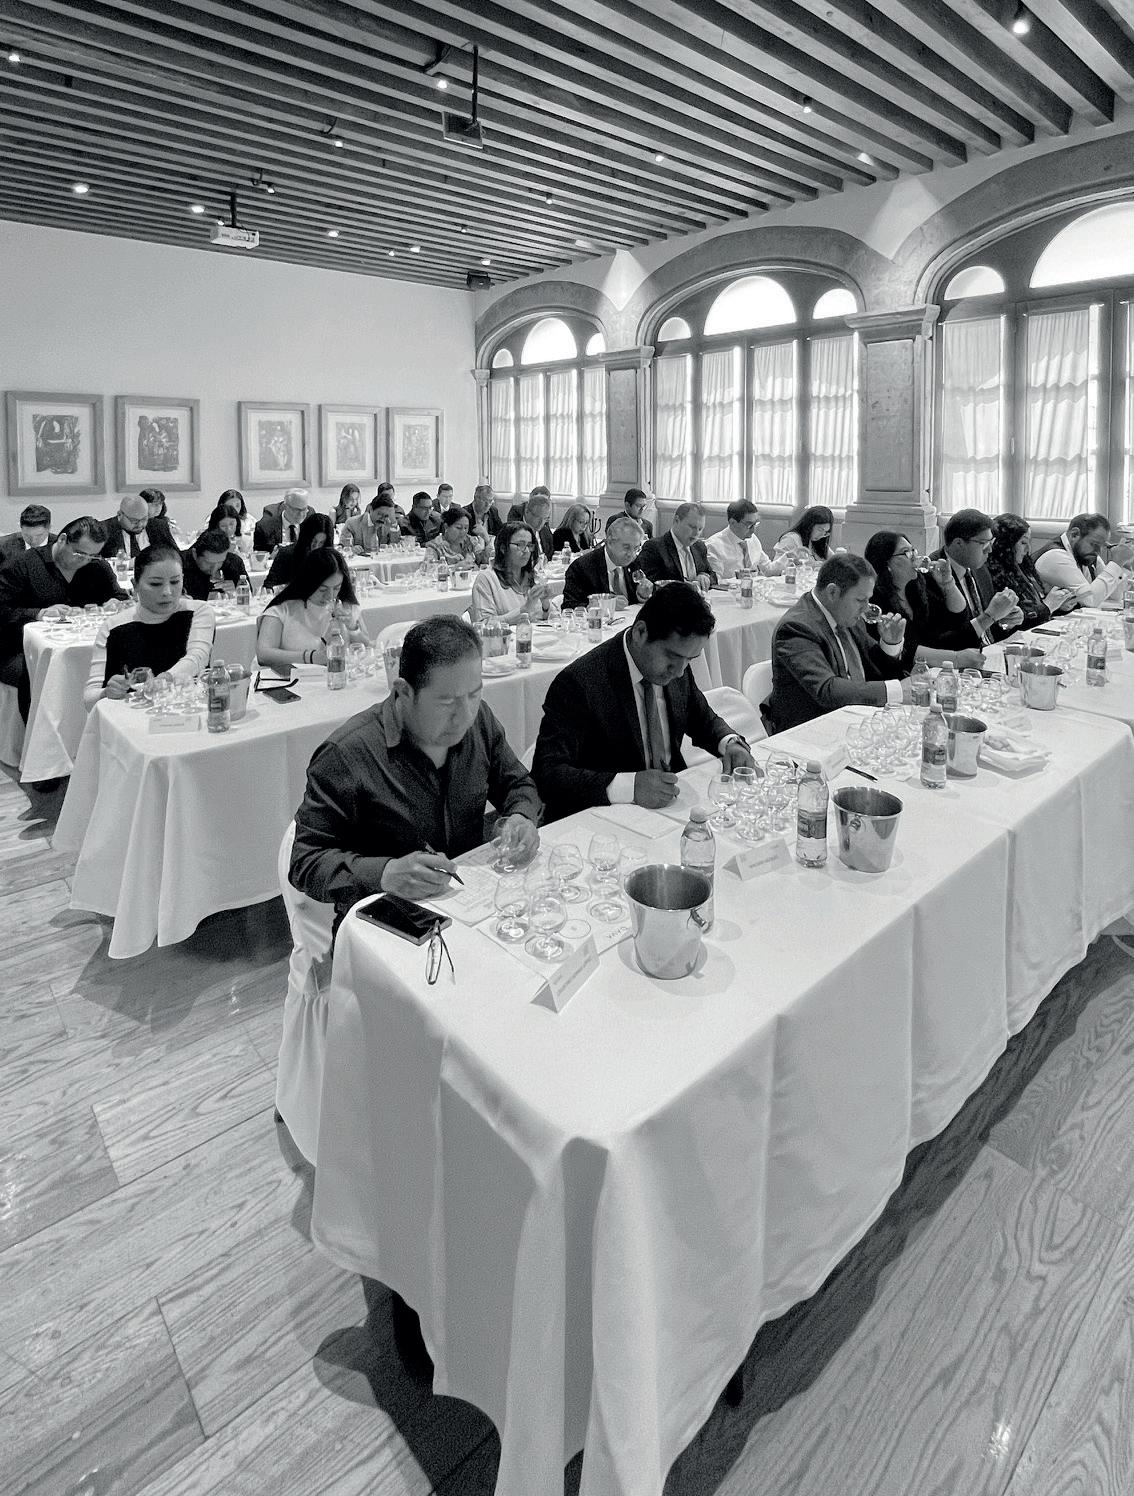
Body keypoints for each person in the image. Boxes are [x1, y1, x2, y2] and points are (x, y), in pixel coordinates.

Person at [290, 614, 540, 925]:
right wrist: (385, 873)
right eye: (446, 702)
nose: (464, 716)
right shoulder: (347, 754)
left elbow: (518, 784)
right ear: (404, 692)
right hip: (387, 921)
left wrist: (521, 817)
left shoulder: (479, 722)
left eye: (474, 694)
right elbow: (305, 861)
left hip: (472, 904)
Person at [533, 583, 755, 822]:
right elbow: (548, 773)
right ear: (640, 632)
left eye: (690, 660)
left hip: (670, 806)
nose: (679, 671)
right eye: (672, 657)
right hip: (604, 819)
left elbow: (702, 718)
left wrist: (729, 743)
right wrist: (629, 786)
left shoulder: (676, 668)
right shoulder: (580, 682)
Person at [766, 553, 911, 733]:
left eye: (868, 599)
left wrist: (890, 643)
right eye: (860, 600)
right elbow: (827, 690)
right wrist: (898, 690)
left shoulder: (846, 615)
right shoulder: (796, 628)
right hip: (812, 731)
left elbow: (872, 667)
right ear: (832, 592)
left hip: (855, 722)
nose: (866, 608)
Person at [0, 517, 127, 721]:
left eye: (92, 555)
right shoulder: (21, 565)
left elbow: (120, 596)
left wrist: (116, 602)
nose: (85, 560)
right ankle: (45, 732)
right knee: (46, 677)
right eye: (80, 553)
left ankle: (102, 726)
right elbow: (3, 610)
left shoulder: (96, 566)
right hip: (21, 650)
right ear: (62, 540)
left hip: (86, 647)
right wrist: (38, 613)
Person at [83, 546, 216, 707]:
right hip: (130, 715)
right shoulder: (113, 627)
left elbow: (198, 657)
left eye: (175, 582)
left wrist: (162, 681)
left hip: (187, 709)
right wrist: (106, 693)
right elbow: (89, 700)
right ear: (135, 585)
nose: (167, 592)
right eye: (155, 584)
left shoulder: (198, 611)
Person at [864, 532, 985, 671]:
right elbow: (906, 649)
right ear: (887, 563)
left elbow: (958, 619)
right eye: (906, 552)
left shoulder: (916, 588)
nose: (915, 557)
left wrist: (948, 584)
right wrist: (956, 658)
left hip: (929, 671)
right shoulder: (876, 599)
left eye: (913, 550)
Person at [923, 508, 1025, 650]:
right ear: (958, 543)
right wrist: (990, 616)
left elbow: (987, 631)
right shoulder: (932, 575)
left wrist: (1005, 619)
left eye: (991, 542)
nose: (989, 550)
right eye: (984, 544)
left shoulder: (979, 568)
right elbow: (942, 642)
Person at [257, 549, 367, 673]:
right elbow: (263, 654)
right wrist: (312, 657)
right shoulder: (283, 609)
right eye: (322, 589)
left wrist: (353, 628)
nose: (330, 596)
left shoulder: (345, 607)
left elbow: (367, 649)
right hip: (292, 680)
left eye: (336, 588)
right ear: (308, 583)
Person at [987, 514, 1075, 630]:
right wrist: (1047, 607)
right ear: (1006, 544)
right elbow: (1015, 622)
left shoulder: (1023, 566)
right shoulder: (992, 575)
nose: (1029, 549)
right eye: (1023, 543)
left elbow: (1036, 607)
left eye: (1029, 542)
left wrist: (1058, 605)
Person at [1033, 511, 1134, 609]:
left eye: (1102, 546)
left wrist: (1124, 565)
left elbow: (1114, 596)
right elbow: (1090, 600)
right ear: (1074, 534)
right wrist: (1117, 562)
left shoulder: (1086, 554)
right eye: (1094, 544)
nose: (1098, 551)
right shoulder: (1056, 556)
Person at [561, 514, 653, 610]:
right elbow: (569, 606)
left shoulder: (635, 563)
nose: (631, 554)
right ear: (609, 542)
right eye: (626, 547)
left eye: (636, 548)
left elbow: (634, 599)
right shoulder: (583, 567)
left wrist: (642, 595)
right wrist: (605, 604)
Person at [470, 522, 556, 623]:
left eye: (529, 545)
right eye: (520, 545)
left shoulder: (534, 576)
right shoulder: (486, 579)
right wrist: (524, 610)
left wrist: (546, 605)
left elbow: (554, 618)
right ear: (503, 548)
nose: (527, 551)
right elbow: (484, 623)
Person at [637, 503, 717, 591]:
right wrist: (685, 586)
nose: (696, 533)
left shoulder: (699, 547)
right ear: (677, 520)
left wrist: (705, 576)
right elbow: (651, 584)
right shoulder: (654, 547)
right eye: (692, 527)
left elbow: (712, 576)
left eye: (700, 529)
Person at [705, 499, 780, 580]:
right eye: (749, 525)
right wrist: (738, 580)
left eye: (755, 524)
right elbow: (715, 582)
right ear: (733, 522)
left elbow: (768, 569)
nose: (753, 530)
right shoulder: (714, 546)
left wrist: (787, 557)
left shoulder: (752, 539)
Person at [264, 513, 335, 590]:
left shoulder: (330, 559)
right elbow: (269, 586)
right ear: (306, 538)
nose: (316, 547)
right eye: (313, 541)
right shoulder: (286, 554)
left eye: (321, 543)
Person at [180, 529, 251, 600]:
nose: (214, 570)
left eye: (220, 562)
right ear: (195, 554)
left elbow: (250, 596)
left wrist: (237, 591)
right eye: (209, 563)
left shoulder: (234, 562)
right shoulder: (179, 565)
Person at [100, 494, 153, 561]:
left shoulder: (156, 528)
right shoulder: (103, 531)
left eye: (144, 519)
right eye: (134, 521)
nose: (140, 524)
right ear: (120, 515)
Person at [463, 483, 503, 553]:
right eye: (484, 500)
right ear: (475, 498)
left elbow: (501, 533)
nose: (488, 505)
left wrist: (486, 536)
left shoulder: (493, 511)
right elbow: (462, 537)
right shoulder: (464, 513)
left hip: (491, 551)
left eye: (490, 501)